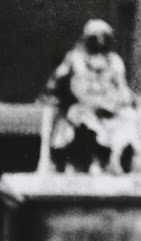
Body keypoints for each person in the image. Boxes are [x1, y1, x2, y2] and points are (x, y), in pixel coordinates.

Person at [45, 19, 135, 174]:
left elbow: (122, 86)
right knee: (82, 120)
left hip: (108, 108)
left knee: (130, 118)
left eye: (104, 36)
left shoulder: (115, 61)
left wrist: (124, 99)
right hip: (81, 106)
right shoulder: (75, 58)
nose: (100, 40)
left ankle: (114, 161)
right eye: (96, 36)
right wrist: (59, 85)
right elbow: (56, 80)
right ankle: (90, 160)